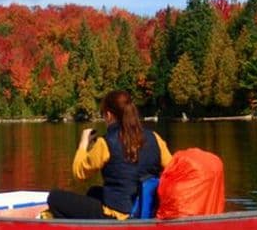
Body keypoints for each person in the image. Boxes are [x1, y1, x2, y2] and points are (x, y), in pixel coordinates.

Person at [47, 90, 172, 220]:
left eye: (103, 114)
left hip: (116, 214)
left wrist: (83, 143)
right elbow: (172, 169)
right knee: (94, 192)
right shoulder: (155, 138)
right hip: (144, 210)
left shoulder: (106, 143)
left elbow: (79, 173)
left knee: (54, 197)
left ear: (109, 115)